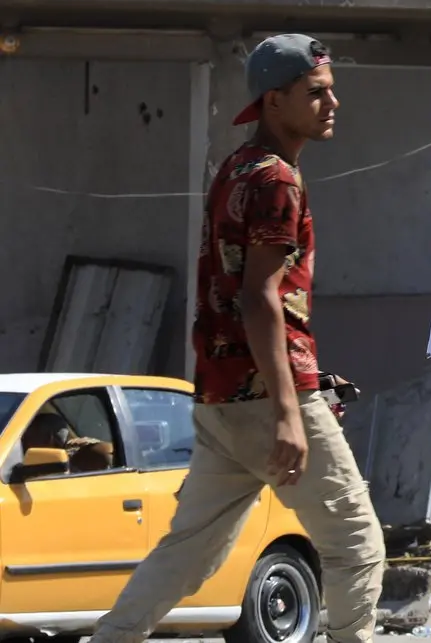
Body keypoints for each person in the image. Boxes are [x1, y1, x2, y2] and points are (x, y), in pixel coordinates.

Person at [93, 35, 386, 643]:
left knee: (188, 552)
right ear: (274, 101)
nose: (332, 104)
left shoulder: (236, 167)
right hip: (265, 398)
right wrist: (287, 411)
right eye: (316, 93)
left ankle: (112, 638)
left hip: (220, 398)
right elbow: (259, 297)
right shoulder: (278, 180)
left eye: (331, 91)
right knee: (356, 545)